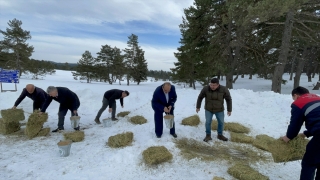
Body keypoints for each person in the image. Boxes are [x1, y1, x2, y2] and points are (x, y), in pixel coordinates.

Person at [282, 86, 320, 180]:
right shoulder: (317, 98)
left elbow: (295, 123)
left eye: (293, 98)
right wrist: (306, 134)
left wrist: (288, 137)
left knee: (309, 162)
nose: (294, 100)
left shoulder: (298, 103)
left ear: (296, 95)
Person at [196, 78, 232, 142]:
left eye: (214, 85)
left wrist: (229, 110)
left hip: (219, 109)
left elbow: (228, 99)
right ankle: (208, 135)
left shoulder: (224, 89)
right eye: (211, 85)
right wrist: (198, 107)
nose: (212, 86)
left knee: (221, 122)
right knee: (208, 122)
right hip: (208, 109)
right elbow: (200, 97)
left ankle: (220, 135)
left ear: (218, 85)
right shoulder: (206, 89)